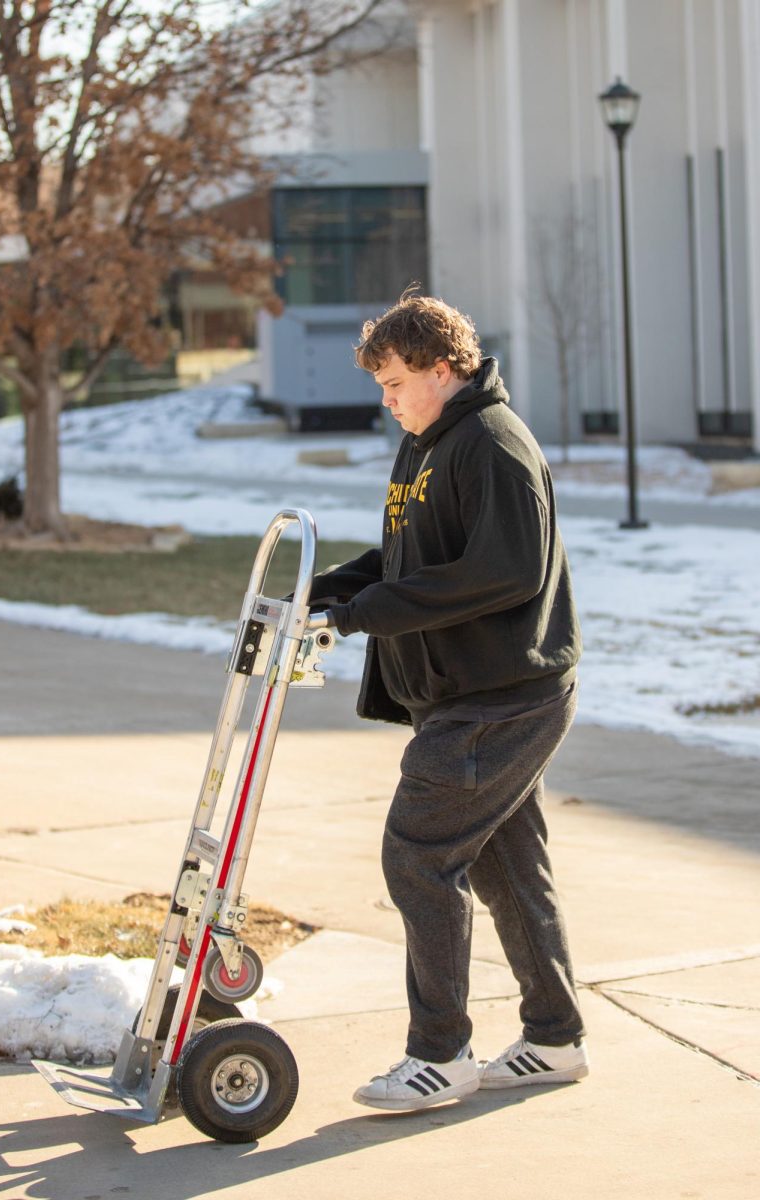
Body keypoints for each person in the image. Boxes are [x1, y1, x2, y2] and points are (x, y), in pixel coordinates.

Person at [308, 293, 587, 1111]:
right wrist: (325, 591)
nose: (386, 400)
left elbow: (505, 571)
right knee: (507, 870)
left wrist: (368, 615)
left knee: (418, 855)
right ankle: (555, 1037)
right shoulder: (429, 443)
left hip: (501, 697)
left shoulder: (492, 445)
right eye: (381, 386)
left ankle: (441, 1055)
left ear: (444, 368)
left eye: (396, 383)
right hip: (471, 695)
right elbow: (409, 555)